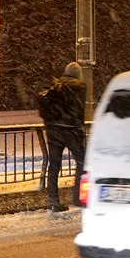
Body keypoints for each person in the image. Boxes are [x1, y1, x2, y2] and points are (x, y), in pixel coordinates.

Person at [38, 62, 87, 212]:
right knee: (82, 162)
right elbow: (78, 110)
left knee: (54, 166)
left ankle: (54, 202)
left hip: (53, 130)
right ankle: (79, 198)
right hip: (71, 130)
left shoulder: (55, 86)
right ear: (77, 74)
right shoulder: (80, 86)